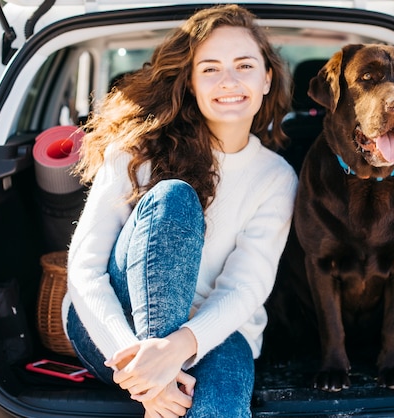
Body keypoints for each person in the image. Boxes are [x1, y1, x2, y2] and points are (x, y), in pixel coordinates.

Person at [62, 4, 298, 417]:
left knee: (221, 405)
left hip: (216, 331)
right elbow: (85, 270)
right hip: (111, 326)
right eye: (209, 69)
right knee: (173, 198)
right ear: (189, 82)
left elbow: (245, 287)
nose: (229, 81)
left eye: (244, 65)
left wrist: (174, 350)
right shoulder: (137, 150)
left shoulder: (276, 177)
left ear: (266, 79)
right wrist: (144, 370)